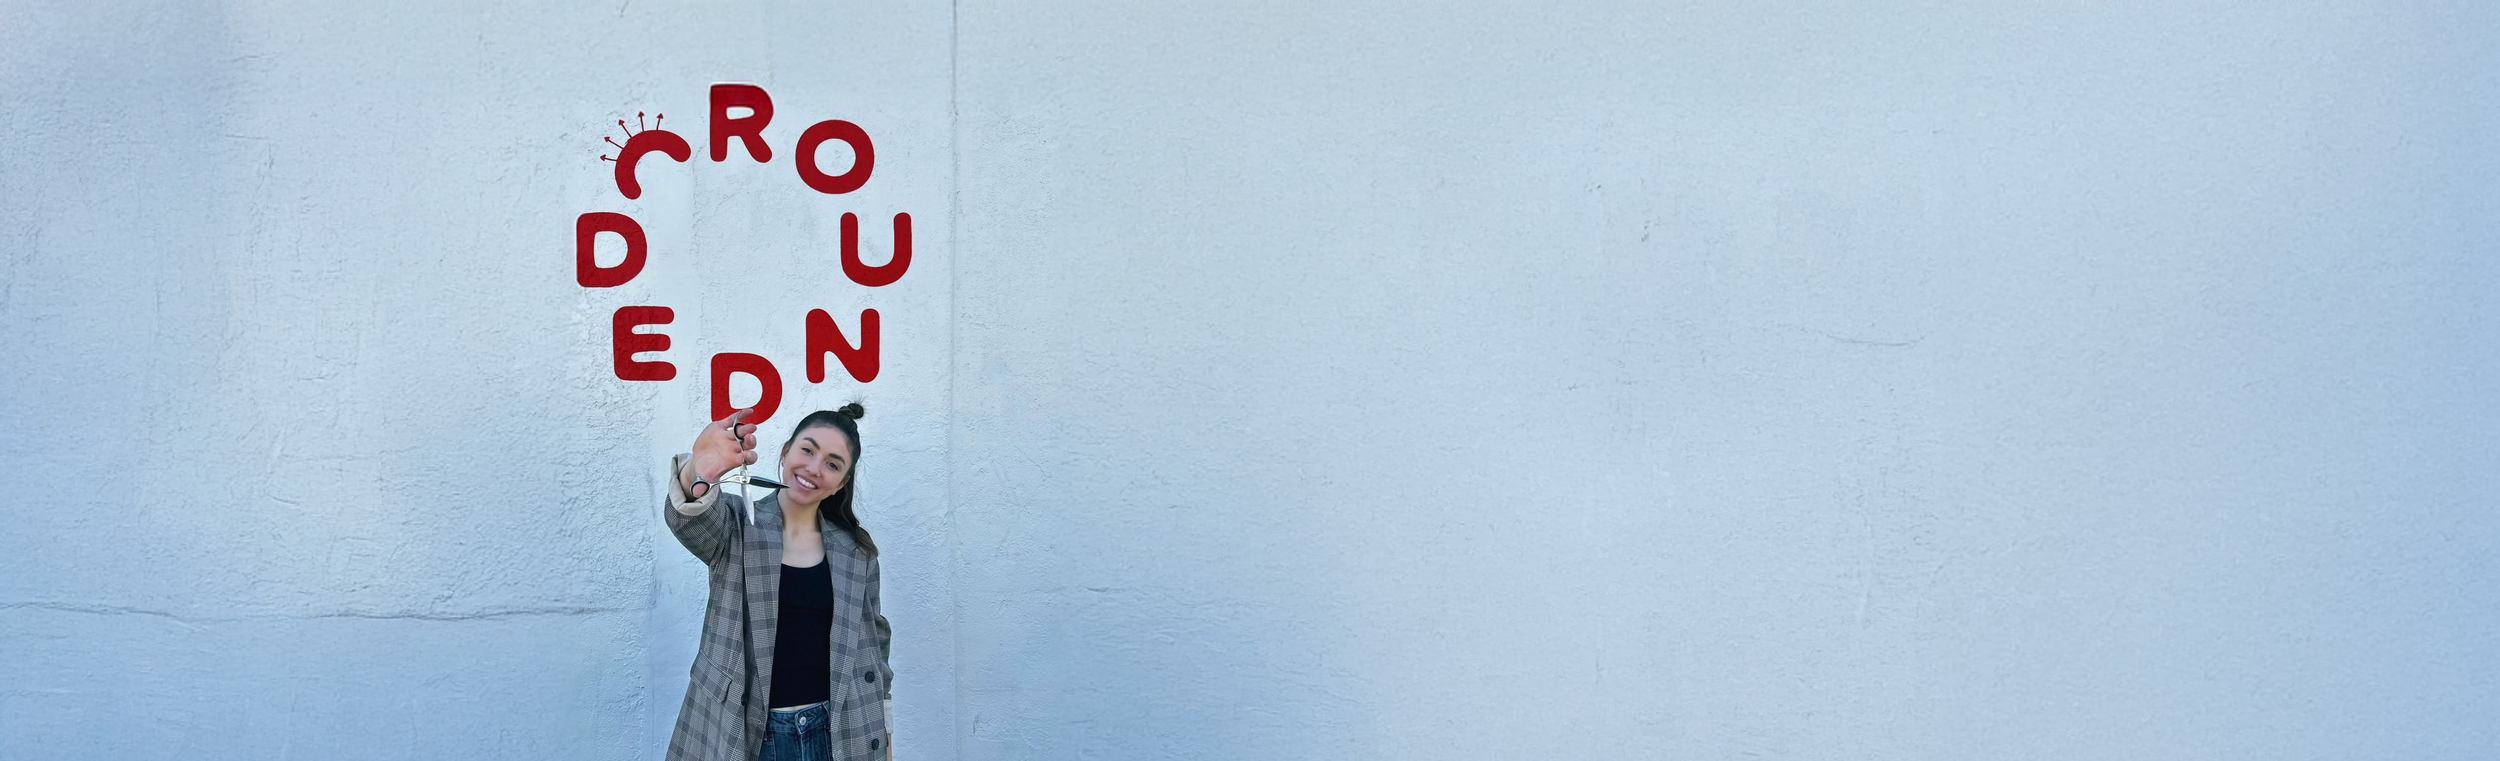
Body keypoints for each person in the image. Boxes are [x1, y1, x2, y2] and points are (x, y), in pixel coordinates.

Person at [661, 402, 893, 761]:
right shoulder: (737, 524)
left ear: (841, 483)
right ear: (786, 452)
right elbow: (689, 521)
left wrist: (885, 734)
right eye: (807, 450)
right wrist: (699, 471)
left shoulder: (856, 551)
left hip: (836, 735)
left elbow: (874, 647)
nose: (814, 468)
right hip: (744, 733)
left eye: (832, 464)